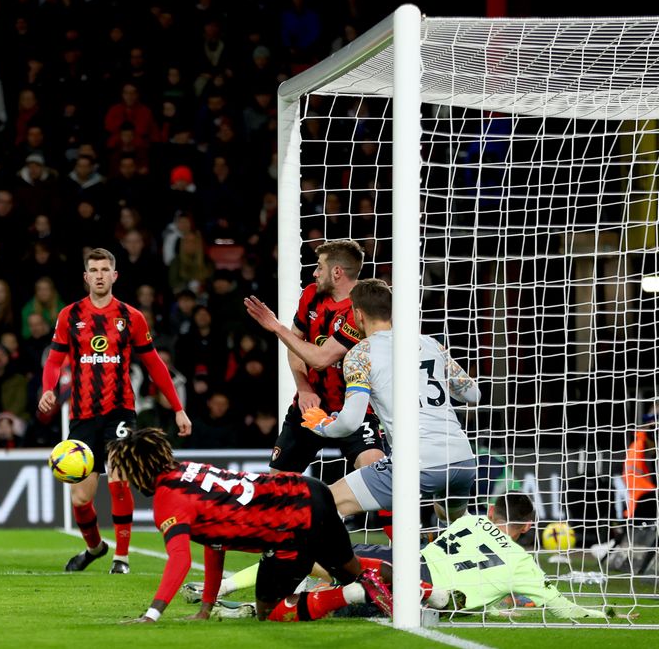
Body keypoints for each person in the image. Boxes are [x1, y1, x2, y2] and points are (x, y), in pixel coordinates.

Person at [109, 428, 392, 624]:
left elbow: (180, 559)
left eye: (128, 473)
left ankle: (350, 594)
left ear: (139, 469)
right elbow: (214, 543)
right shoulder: (187, 470)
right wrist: (206, 607)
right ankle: (429, 592)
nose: (129, 482)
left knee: (268, 613)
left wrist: (152, 614)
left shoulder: (168, 499)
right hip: (312, 491)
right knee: (351, 568)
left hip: (288, 526)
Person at [197, 493, 612, 621]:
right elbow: (558, 604)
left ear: (490, 512)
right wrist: (604, 616)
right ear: (524, 530)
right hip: (423, 595)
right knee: (343, 601)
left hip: (402, 560)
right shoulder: (523, 562)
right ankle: (247, 610)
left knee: (310, 554)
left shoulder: (467, 521)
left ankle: (225, 589)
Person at [38, 247, 192, 574]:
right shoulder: (70, 315)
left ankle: (121, 558)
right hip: (82, 415)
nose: (99, 275)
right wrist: (49, 389)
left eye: (104, 270)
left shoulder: (131, 317)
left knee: (119, 481)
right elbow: (54, 360)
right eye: (93, 270)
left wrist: (178, 408)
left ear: (114, 275)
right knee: (80, 498)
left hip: (120, 411)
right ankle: (95, 548)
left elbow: (155, 365)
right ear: (85, 277)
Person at [279, 279, 480, 522]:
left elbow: (351, 422)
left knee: (320, 505)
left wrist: (321, 425)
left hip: (418, 464)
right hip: (463, 460)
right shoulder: (430, 345)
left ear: (359, 314)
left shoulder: (361, 354)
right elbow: (473, 394)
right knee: (452, 517)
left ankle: (315, 561)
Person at [243, 239, 386, 473]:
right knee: (278, 484)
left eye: (320, 266)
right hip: (311, 406)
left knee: (373, 470)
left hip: (355, 408)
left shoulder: (362, 306)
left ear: (337, 272)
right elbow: (295, 346)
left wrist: (277, 327)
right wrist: (304, 387)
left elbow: (321, 359)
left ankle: (346, 508)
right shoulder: (311, 294)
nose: (315, 272)